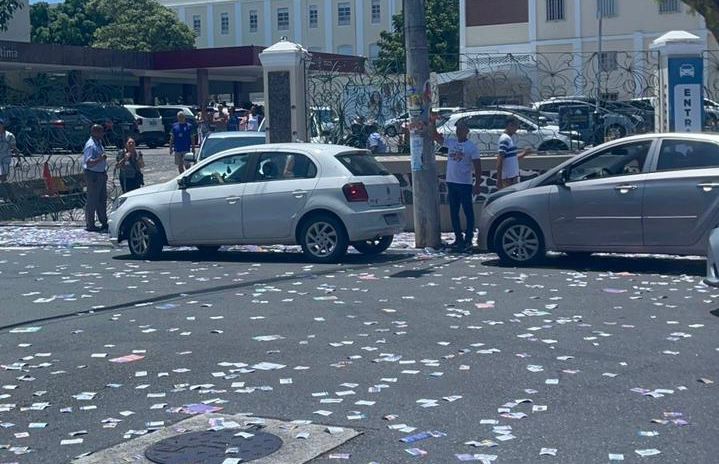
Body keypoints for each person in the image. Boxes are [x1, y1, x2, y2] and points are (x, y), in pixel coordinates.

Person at [433, 119, 481, 252]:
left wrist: (477, 183)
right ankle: (458, 238)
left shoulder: (471, 147)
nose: (459, 131)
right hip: (452, 182)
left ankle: (469, 238)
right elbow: (437, 138)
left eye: (462, 129)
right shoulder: (452, 143)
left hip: (464, 184)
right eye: (458, 129)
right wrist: (432, 123)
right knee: (454, 212)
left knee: (468, 212)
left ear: (467, 131)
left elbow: (477, 166)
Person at [83, 124, 108, 232]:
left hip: (100, 174)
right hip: (93, 175)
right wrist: (100, 159)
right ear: (95, 132)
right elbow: (88, 163)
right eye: (100, 132)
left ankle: (103, 221)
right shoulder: (90, 145)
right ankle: (90, 224)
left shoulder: (99, 143)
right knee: (92, 199)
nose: (102, 134)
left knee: (102, 199)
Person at [496, 117, 532, 189]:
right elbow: (500, 159)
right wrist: (499, 179)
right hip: (508, 178)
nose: (517, 129)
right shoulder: (505, 139)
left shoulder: (509, 139)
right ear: (510, 125)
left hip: (512, 178)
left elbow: (511, 158)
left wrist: (524, 153)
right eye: (516, 126)